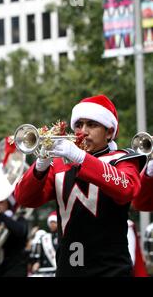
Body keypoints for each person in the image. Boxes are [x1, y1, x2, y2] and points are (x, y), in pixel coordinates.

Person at [14, 95, 147, 277]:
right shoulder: (60, 165)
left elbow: (127, 189)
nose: (83, 132)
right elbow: (25, 198)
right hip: (67, 269)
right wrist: (40, 166)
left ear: (109, 132)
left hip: (111, 270)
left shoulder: (123, 159)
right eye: (78, 125)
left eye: (92, 125)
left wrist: (81, 158)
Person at [29, 211, 58, 277]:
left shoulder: (62, 238)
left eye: (54, 222)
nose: (52, 224)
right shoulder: (45, 238)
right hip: (45, 270)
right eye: (51, 222)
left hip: (56, 270)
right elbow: (40, 254)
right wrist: (38, 263)